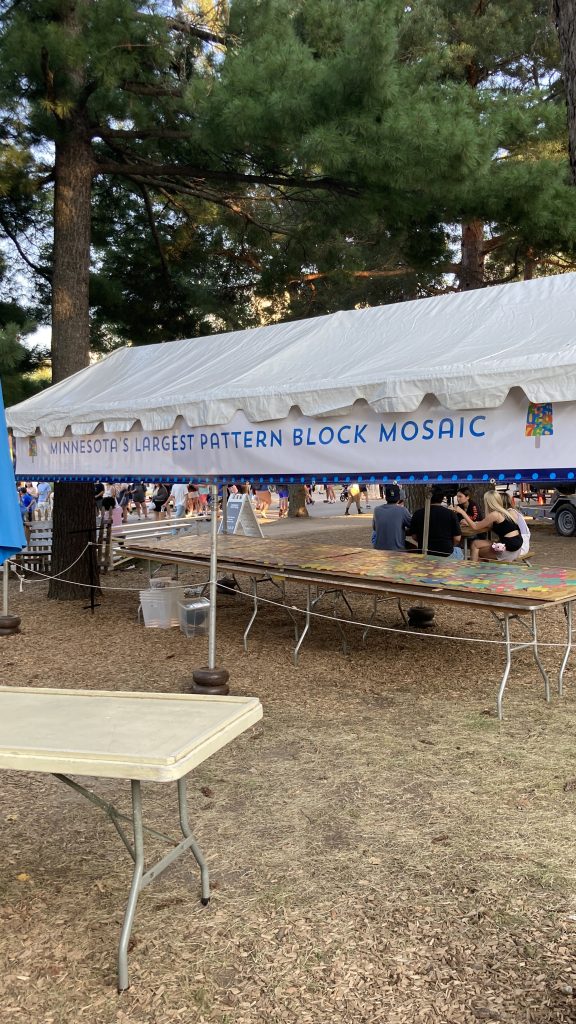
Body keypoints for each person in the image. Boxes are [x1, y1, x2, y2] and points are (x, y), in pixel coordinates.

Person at [458, 490, 530, 563]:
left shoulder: (494, 514)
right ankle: (480, 570)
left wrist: (462, 512)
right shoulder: (506, 512)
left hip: (509, 549)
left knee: (477, 551)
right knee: (475, 544)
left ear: (488, 502)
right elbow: (487, 525)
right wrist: (469, 522)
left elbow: (475, 527)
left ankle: (474, 571)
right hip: (516, 546)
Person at [407, 486, 461, 557]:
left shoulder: (418, 513)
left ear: (427, 497)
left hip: (424, 552)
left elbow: (414, 536)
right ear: (442, 498)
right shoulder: (451, 514)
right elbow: (457, 539)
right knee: (459, 552)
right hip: (446, 553)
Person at [372, 487, 412, 552]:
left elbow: (375, 528)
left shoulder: (377, 510)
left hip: (378, 548)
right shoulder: (402, 510)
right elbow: (413, 526)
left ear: (385, 497)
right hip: (397, 549)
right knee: (415, 549)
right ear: (399, 498)